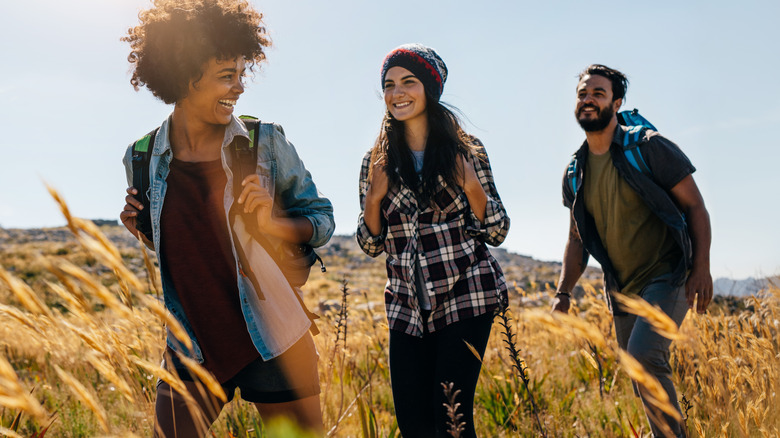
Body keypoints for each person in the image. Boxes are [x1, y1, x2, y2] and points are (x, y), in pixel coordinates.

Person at [119, 1, 334, 436]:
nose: (238, 88)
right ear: (184, 76)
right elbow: (184, 244)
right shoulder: (142, 157)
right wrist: (141, 231)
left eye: (241, 74)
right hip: (192, 344)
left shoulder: (263, 142)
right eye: (225, 76)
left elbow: (322, 219)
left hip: (272, 338)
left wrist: (274, 224)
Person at [356, 43, 510, 438]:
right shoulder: (375, 160)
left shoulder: (467, 151)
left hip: (466, 295)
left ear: (430, 88)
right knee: (414, 427)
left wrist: (471, 186)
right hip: (406, 308)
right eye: (389, 85)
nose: (397, 93)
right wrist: (373, 198)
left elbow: (496, 231)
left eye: (409, 82)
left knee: (451, 421)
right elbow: (371, 245)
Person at [552, 64, 712, 437]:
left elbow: (695, 206)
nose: (588, 100)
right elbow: (576, 238)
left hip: (669, 275)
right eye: (582, 94)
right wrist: (563, 291)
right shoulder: (574, 172)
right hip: (622, 288)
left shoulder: (648, 147)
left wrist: (701, 267)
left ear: (617, 101)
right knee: (638, 369)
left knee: (644, 355)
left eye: (598, 93)